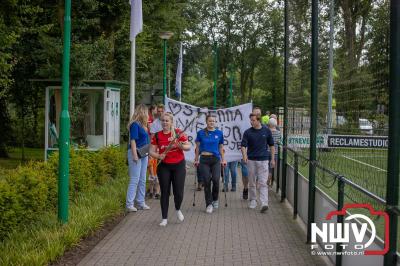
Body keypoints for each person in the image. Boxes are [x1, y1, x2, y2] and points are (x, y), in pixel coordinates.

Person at [149, 112, 191, 226]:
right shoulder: (157, 135)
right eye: (163, 120)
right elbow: (151, 151)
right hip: (164, 166)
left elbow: (188, 146)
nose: (165, 123)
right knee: (165, 192)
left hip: (178, 165)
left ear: (171, 122)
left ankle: (177, 209)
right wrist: (158, 156)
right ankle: (164, 218)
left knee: (178, 192)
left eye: (167, 121)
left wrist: (179, 146)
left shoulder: (178, 133)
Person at [241, 113, 275, 213]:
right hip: (251, 160)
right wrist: (244, 156)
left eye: (253, 120)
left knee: (263, 182)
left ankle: (264, 203)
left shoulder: (266, 131)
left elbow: (272, 145)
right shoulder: (247, 132)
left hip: (264, 160)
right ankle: (253, 200)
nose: (251, 122)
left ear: (258, 120)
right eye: (250, 120)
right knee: (251, 181)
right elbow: (243, 145)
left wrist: (272, 159)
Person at [194, 115, 226, 214]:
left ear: (215, 122)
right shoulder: (201, 133)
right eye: (210, 121)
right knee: (206, 181)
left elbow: (221, 147)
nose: (212, 122)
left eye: (213, 121)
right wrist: (196, 159)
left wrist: (223, 159)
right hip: (204, 159)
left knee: (216, 180)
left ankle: (215, 199)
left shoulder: (219, 133)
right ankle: (209, 204)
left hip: (216, 159)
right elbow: (198, 148)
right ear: (206, 122)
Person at [126, 104, 151, 212]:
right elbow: (133, 140)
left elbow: (147, 141)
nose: (148, 115)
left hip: (144, 153)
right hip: (135, 153)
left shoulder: (144, 126)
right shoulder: (135, 125)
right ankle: (129, 204)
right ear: (142, 113)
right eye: (147, 113)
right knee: (134, 179)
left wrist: (148, 154)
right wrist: (135, 155)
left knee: (142, 179)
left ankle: (141, 202)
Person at [267, 118, 281, 187]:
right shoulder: (278, 133)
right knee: (271, 168)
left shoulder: (267, 131)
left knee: (265, 167)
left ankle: (264, 181)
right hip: (275, 152)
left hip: (266, 151)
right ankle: (268, 182)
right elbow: (279, 142)